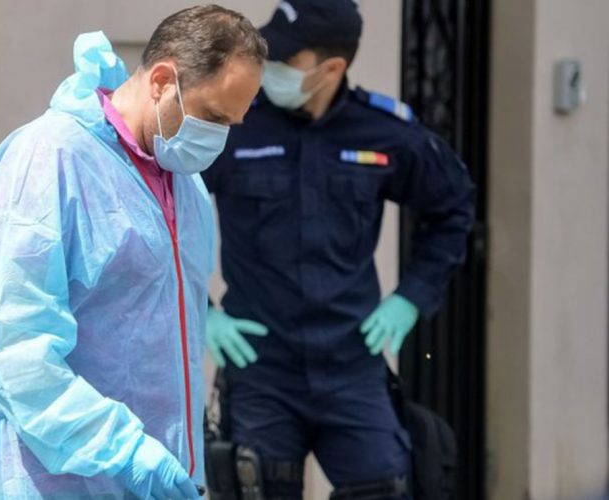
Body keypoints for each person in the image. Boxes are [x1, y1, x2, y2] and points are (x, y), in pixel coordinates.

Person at [0, 6, 266, 499]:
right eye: (213, 116)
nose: (219, 138)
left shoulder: (186, 186)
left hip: (165, 481)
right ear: (162, 80)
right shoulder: (50, 159)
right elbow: (13, 352)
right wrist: (127, 453)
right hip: (65, 486)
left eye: (232, 123)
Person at [201, 0, 476, 497]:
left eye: (288, 59)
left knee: (387, 485)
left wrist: (411, 297)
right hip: (262, 365)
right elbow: (161, 209)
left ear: (331, 68)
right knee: (252, 484)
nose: (271, 66)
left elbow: (454, 208)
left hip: (352, 363)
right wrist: (200, 311)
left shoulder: (386, 132)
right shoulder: (235, 124)